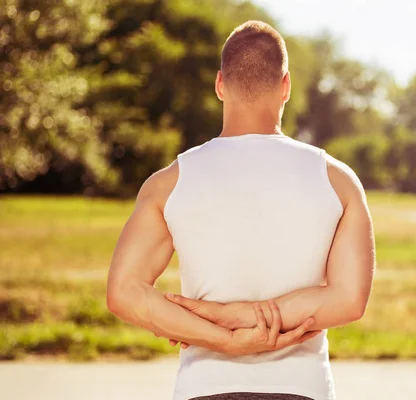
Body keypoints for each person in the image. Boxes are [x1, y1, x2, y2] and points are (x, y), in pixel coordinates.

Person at [107, 20, 375, 400]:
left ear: (220, 84)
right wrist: (246, 320)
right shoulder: (338, 181)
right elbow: (349, 299)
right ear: (286, 86)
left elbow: (124, 292)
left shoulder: (168, 183)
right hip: (303, 389)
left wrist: (224, 336)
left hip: (203, 388)